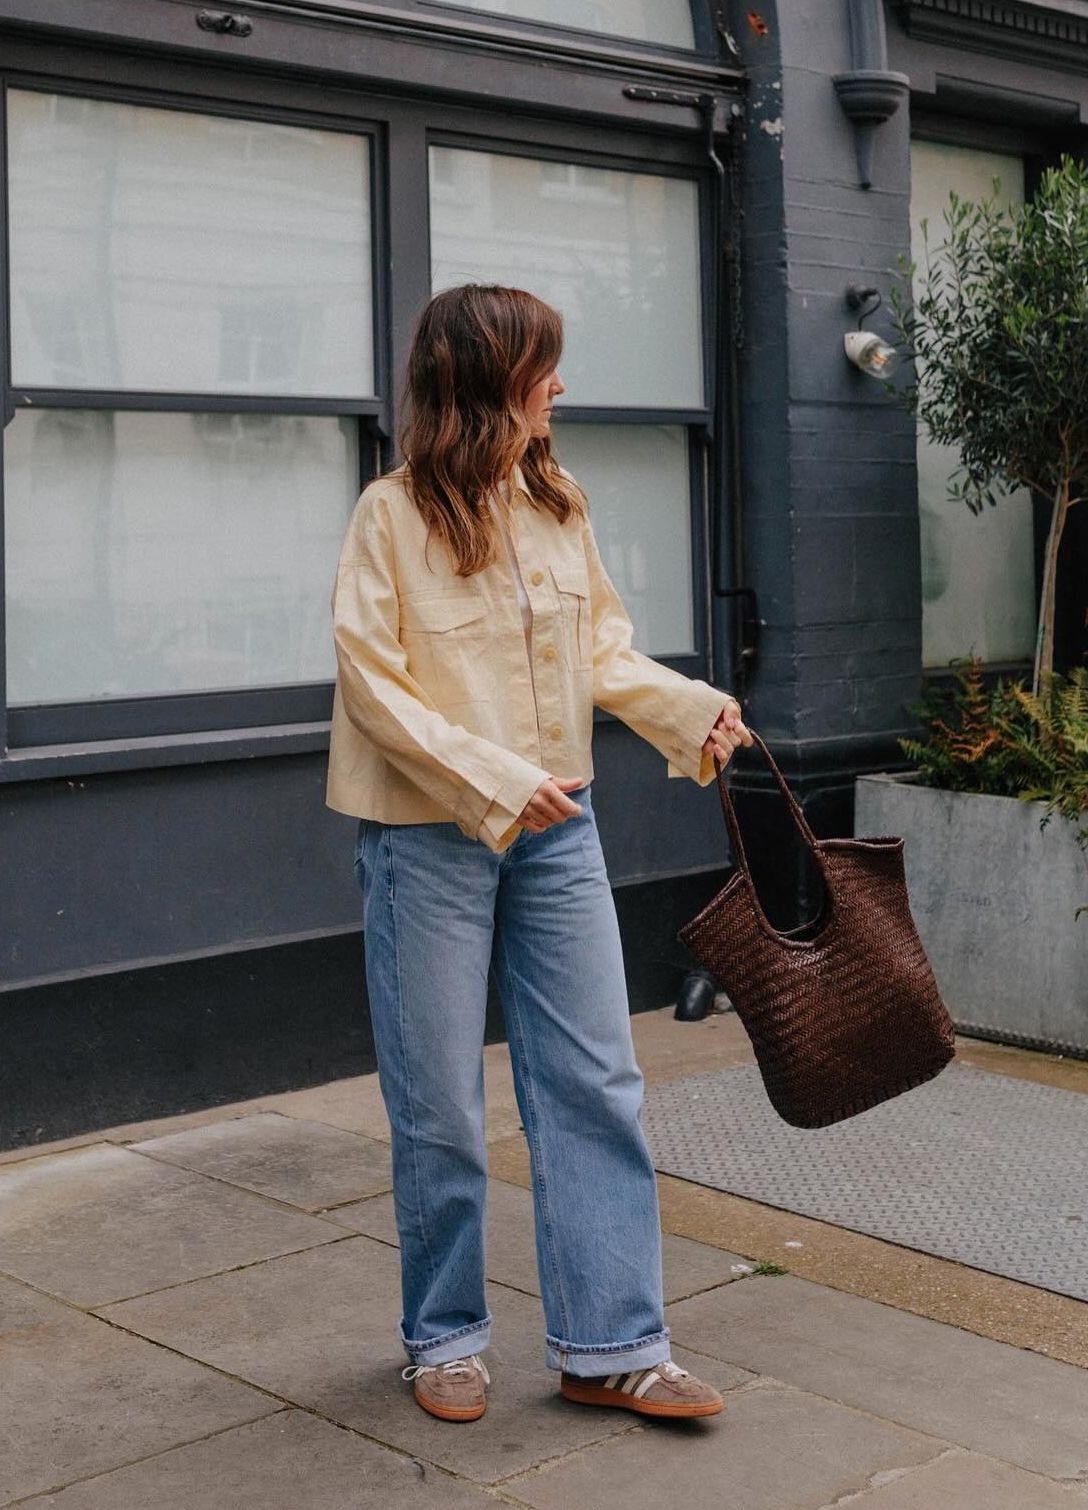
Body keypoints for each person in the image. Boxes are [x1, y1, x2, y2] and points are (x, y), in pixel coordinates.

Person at [327, 283, 754, 1425]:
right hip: (431, 842)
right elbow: (375, 689)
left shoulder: (557, 500)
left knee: (597, 1084)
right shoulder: (389, 515)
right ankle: (445, 1337)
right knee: (440, 1105)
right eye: (542, 367)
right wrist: (499, 783)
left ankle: (612, 1345)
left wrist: (690, 709)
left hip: (559, 838)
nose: (559, 385)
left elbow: (601, 648)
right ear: (487, 381)